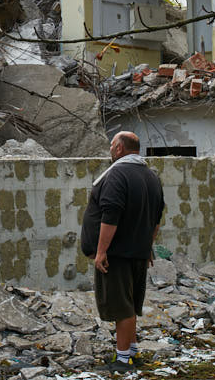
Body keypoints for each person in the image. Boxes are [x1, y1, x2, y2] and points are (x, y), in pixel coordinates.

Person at [80, 131, 165, 371]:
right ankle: (132, 352)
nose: (110, 150)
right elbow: (157, 218)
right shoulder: (151, 176)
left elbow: (111, 214)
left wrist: (101, 251)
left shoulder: (117, 174)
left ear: (119, 148)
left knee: (122, 307)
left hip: (117, 255)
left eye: (111, 145)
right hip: (138, 252)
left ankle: (122, 360)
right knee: (130, 304)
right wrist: (148, 246)